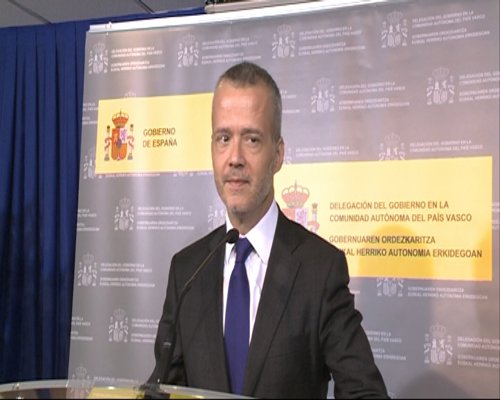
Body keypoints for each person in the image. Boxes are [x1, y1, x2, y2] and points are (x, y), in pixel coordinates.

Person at [148, 61, 389, 398]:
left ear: (277, 155)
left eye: (251, 139)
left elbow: (365, 393)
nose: (234, 157)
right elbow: (163, 388)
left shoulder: (320, 269)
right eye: (223, 138)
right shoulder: (187, 271)